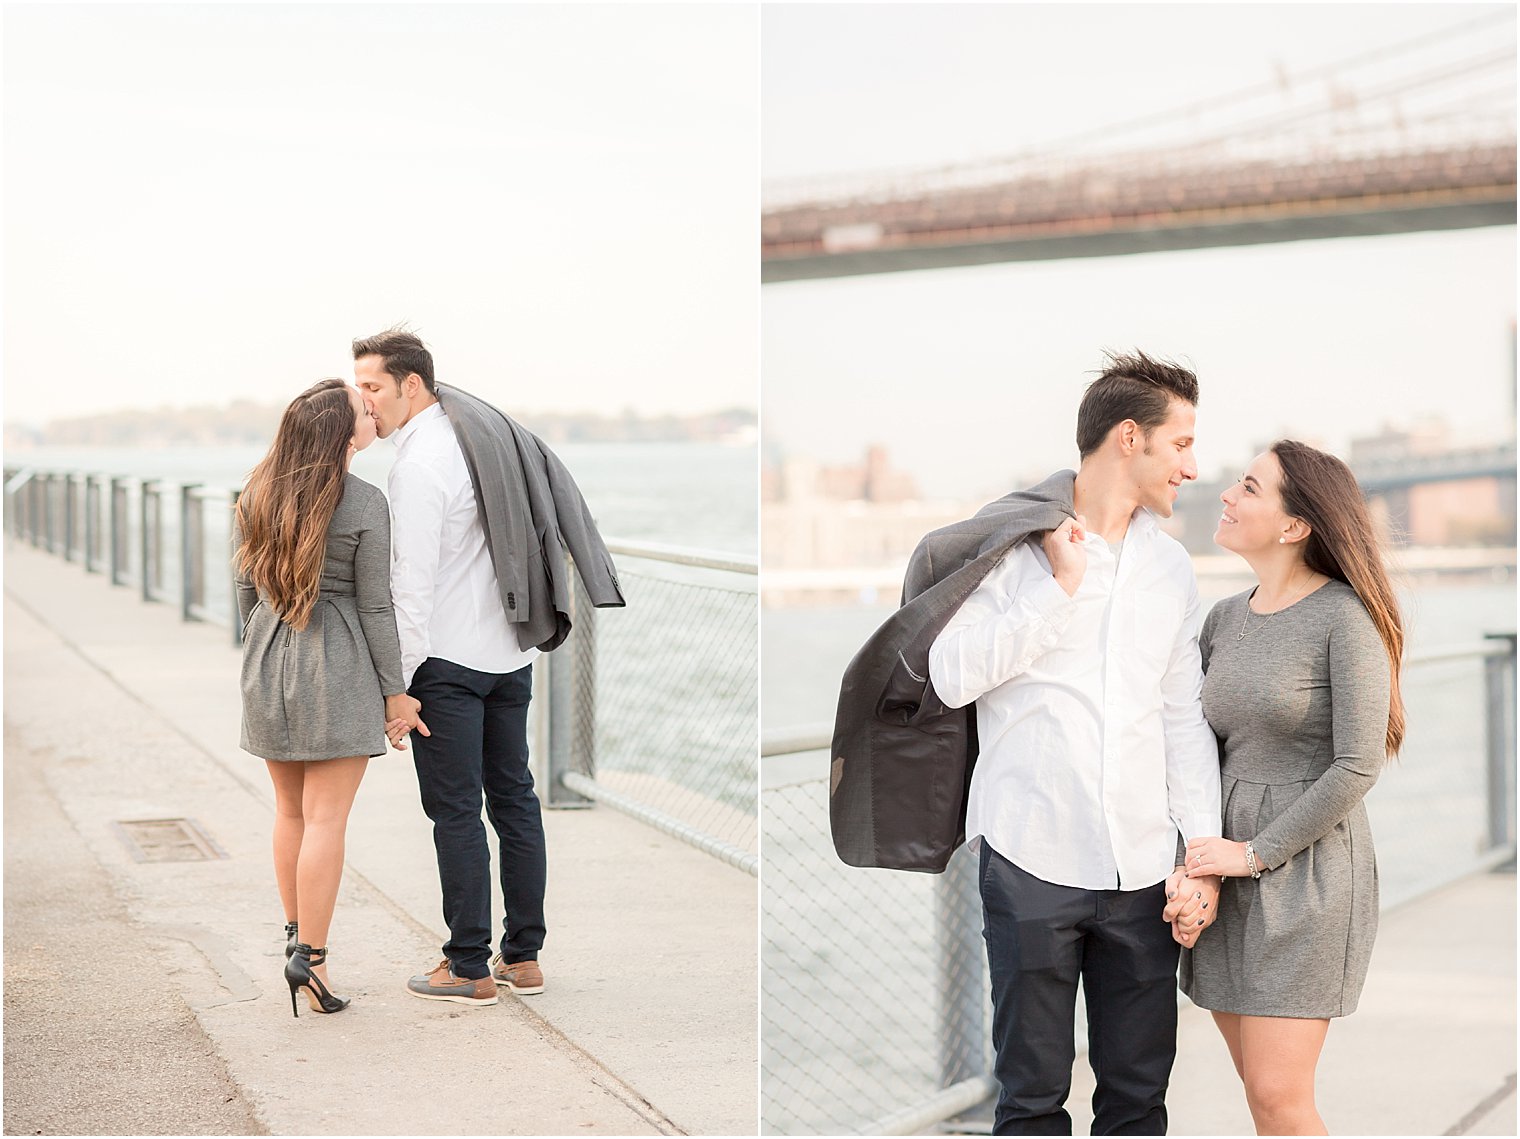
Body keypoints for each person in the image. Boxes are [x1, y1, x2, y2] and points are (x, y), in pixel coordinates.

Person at [921, 351, 1224, 1135]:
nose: (1193, 466)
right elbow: (950, 675)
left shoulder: (1170, 568)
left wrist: (1200, 853)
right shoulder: (1013, 550)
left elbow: (1179, 717)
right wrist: (1058, 589)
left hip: (1143, 868)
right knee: (1029, 1102)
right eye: (1181, 443)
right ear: (1130, 438)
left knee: (1136, 1102)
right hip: (1031, 859)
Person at [352, 326, 624, 1008]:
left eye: (374, 387)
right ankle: (523, 955)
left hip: (444, 662)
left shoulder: (417, 466)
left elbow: (408, 588)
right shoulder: (479, 437)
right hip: (507, 656)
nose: (366, 401)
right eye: (359, 387)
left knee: (455, 813)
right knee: (514, 801)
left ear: (411, 385)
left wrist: (397, 687)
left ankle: (467, 963)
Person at [1180, 441, 1404, 1136]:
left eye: (1248, 486)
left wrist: (1254, 854)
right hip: (1225, 874)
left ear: (1294, 524)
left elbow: (1357, 764)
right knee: (1261, 1094)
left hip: (1305, 876)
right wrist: (1199, 870)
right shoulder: (1223, 618)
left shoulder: (1345, 617)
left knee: (1280, 1096)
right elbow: (1194, 749)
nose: (1226, 494)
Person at [234, 379, 427, 1017]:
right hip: (337, 661)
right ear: (343, 436)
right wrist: (396, 692)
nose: (371, 412)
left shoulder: (256, 490)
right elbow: (375, 606)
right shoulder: (366, 500)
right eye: (361, 410)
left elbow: (244, 594)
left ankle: (296, 941)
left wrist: (261, 650)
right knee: (326, 820)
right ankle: (310, 959)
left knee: (290, 814)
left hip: (268, 654)